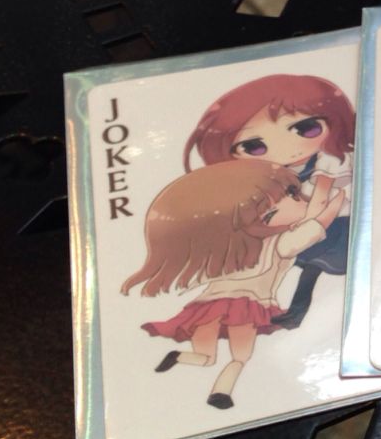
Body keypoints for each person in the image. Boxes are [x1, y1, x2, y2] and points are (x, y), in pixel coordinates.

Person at [121, 158, 345, 409]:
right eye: (293, 196)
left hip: (206, 306)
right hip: (245, 306)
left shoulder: (230, 248)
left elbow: (310, 218)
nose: (301, 199)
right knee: (240, 357)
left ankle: (182, 358)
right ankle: (220, 393)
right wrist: (336, 195)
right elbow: (316, 222)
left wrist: (326, 188)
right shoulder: (279, 243)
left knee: (205, 357)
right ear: (266, 215)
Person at [183, 73, 356, 329]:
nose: (287, 148)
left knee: (315, 267)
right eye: (254, 146)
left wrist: (304, 225)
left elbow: (321, 197)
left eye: (306, 128)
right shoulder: (276, 173)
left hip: (336, 224)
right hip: (307, 224)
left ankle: (299, 313)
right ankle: (291, 314)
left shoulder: (330, 159)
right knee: (306, 268)